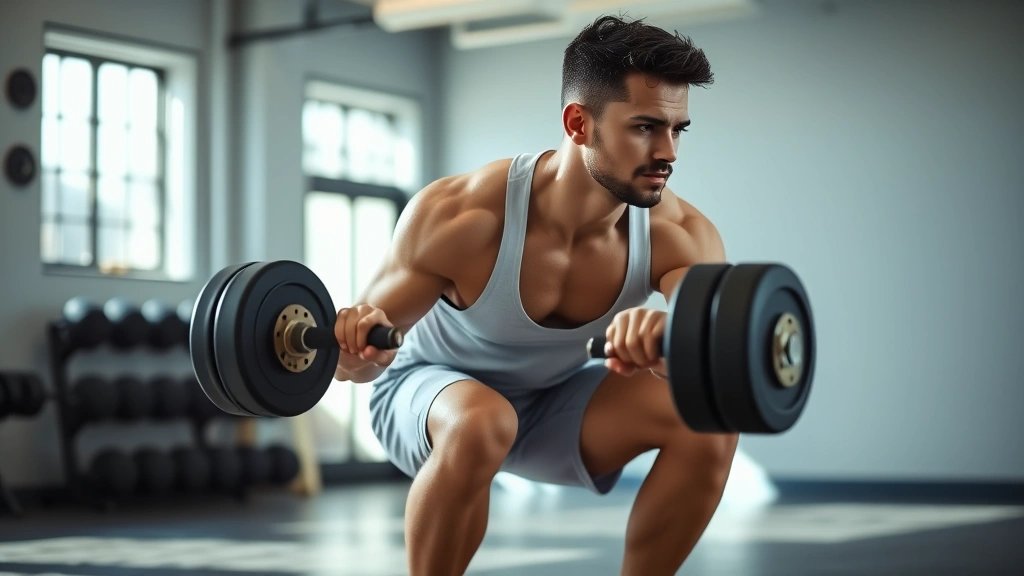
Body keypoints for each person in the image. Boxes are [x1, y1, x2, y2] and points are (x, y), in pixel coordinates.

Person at [333, 14, 738, 576]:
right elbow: (348, 367)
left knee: (710, 417)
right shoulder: (463, 217)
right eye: (645, 127)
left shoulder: (680, 234)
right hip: (427, 397)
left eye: (678, 130)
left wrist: (671, 345)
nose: (668, 151)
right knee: (482, 421)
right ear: (579, 123)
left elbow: (716, 360)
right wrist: (357, 352)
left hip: (551, 403)